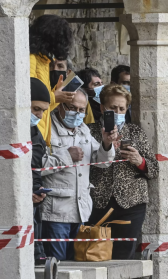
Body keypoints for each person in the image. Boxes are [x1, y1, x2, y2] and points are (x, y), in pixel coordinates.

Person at [87, 84, 159, 279]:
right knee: (97, 257)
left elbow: (154, 169)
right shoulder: (90, 130)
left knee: (124, 258)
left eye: (121, 108)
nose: (117, 112)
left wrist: (140, 161)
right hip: (98, 201)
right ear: (102, 108)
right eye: (112, 108)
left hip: (131, 204)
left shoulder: (135, 131)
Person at [39, 88, 117, 260]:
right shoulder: (46, 128)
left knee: (77, 265)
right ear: (60, 105)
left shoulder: (83, 129)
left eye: (82, 110)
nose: (77, 113)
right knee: (56, 266)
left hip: (80, 210)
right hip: (55, 212)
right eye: (72, 108)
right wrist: (67, 156)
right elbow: (37, 166)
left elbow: (103, 162)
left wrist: (106, 143)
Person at [29, 14, 75, 146]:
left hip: (40, 133)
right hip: (33, 133)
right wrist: (54, 97)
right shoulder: (32, 58)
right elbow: (29, 97)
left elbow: (44, 107)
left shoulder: (44, 61)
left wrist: (57, 94)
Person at [30, 78, 51, 265]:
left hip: (33, 206)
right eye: (35, 109)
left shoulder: (37, 135)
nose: (39, 115)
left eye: (43, 111)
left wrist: (36, 190)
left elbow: (35, 169)